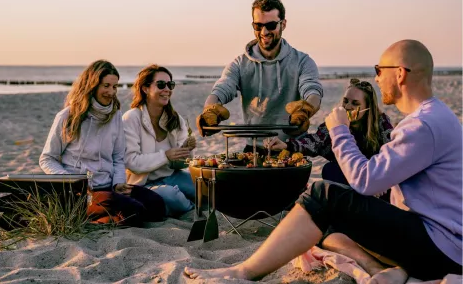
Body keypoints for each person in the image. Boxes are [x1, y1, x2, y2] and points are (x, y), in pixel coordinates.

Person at [184, 39, 462, 282]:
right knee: (323, 226)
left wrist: (339, 130)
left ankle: (244, 272)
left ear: (400, 74)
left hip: (442, 247)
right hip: (437, 238)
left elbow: (365, 180)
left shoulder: (422, 126)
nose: (377, 78)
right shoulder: (434, 117)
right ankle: (379, 268)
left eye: (379, 70)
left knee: (322, 193)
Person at [39, 60, 165, 227]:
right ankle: (88, 217)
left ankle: (103, 217)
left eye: (114, 86)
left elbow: (118, 158)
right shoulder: (68, 116)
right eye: (106, 85)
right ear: (92, 85)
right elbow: (47, 159)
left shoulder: (115, 116)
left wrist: (119, 183)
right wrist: (74, 183)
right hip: (82, 192)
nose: (111, 92)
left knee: (157, 206)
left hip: (109, 188)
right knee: (133, 212)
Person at [196, 0, 323, 151]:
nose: (264, 32)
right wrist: (209, 110)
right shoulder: (239, 63)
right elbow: (222, 89)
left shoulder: (302, 61)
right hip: (253, 148)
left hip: (289, 147)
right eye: (258, 26)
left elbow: (313, 92)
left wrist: (305, 111)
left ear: (283, 24)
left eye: (270, 25)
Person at [265, 78, 394, 201]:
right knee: (330, 169)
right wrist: (287, 146)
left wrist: (379, 181)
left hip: (377, 178)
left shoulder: (381, 122)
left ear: (368, 108)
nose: (348, 106)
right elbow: (316, 141)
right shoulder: (336, 121)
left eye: (355, 103)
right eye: (345, 101)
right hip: (349, 179)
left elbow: (392, 154)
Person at [123, 64, 196, 217]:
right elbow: (132, 162)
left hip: (172, 176)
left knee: (204, 185)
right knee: (172, 196)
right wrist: (166, 155)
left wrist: (185, 153)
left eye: (170, 84)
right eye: (161, 84)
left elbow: (181, 165)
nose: (167, 89)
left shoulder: (175, 118)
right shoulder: (131, 118)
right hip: (143, 183)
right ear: (145, 88)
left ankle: (183, 206)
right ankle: (192, 209)